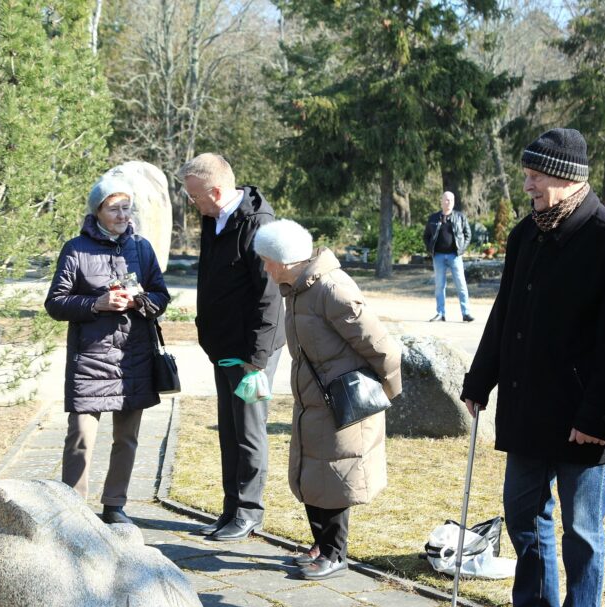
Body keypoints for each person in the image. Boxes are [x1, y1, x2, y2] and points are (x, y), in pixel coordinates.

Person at [460, 129, 605, 607]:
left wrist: (595, 415)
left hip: (582, 417)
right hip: (526, 405)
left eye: (536, 175)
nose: (528, 183)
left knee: (582, 530)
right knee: (523, 514)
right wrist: (479, 377)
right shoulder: (526, 233)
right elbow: (506, 313)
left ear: (566, 177)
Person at [254, 219, 401, 580]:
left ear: (284, 260)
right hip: (313, 400)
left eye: (266, 260)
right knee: (313, 471)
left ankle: (336, 553)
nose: (264, 268)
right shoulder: (297, 289)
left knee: (335, 476)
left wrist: (383, 393)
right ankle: (320, 545)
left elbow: (382, 347)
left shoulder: (332, 290)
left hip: (342, 402)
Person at [44, 174, 170, 526]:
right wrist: (98, 303)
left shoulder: (142, 248)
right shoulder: (76, 249)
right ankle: (74, 509)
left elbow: (161, 296)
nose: (122, 214)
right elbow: (55, 303)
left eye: (127, 207)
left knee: (126, 438)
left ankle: (115, 505)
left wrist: (140, 300)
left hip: (134, 357)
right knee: (81, 437)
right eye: (114, 208)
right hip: (91, 360)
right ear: (97, 210)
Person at [180, 153, 285, 541]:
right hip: (223, 345)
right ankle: (232, 509)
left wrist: (256, 361)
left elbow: (269, 297)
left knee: (249, 429)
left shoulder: (259, 225)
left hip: (252, 352)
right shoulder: (213, 217)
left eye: (195, 197)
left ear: (217, 190)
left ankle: (250, 512)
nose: (193, 204)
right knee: (229, 429)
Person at [423, 191, 474, 322]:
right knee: (439, 286)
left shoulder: (460, 217)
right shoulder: (434, 218)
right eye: (446, 200)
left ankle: (466, 313)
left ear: (454, 201)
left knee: (461, 285)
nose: (448, 202)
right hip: (438, 256)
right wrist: (430, 249)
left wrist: (461, 249)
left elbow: (468, 234)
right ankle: (440, 313)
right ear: (441, 201)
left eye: (450, 200)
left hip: (455, 256)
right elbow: (426, 236)